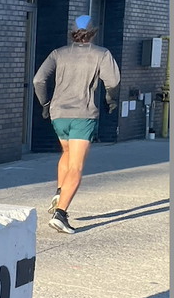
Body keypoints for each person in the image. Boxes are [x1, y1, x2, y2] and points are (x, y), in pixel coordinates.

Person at [32, 14, 120, 234]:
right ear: (93, 33)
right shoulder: (102, 54)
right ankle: (60, 214)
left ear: (72, 33)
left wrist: (45, 103)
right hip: (83, 115)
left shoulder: (58, 54)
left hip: (58, 114)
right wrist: (111, 100)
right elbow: (113, 82)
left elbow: (38, 80)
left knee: (67, 152)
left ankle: (60, 191)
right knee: (77, 166)